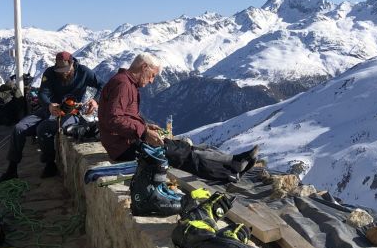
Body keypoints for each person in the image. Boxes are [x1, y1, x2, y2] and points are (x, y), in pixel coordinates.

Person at [98, 53, 258, 181]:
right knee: (180, 154)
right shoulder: (123, 85)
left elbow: (124, 116)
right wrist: (144, 132)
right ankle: (228, 174)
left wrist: (145, 127)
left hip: (125, 142)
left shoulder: (126, 83)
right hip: (123, 148)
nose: (152, 81)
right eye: (152, 75)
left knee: (182, 147)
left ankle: (233, 161)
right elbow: (114, 119)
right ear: (144, 67)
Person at [0, 51, 103, 181]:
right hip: (49, 109)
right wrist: (49, 105)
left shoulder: (84, 72)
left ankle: (49, 163)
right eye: (59, 70)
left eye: (65, 69)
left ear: (72, 64)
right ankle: (12, 168)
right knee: (19, 128)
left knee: (44, 128)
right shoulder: (50, 73)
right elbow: (43, 93)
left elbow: (102, 85)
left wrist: (95, 100)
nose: (62, 72)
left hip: (71, 112)